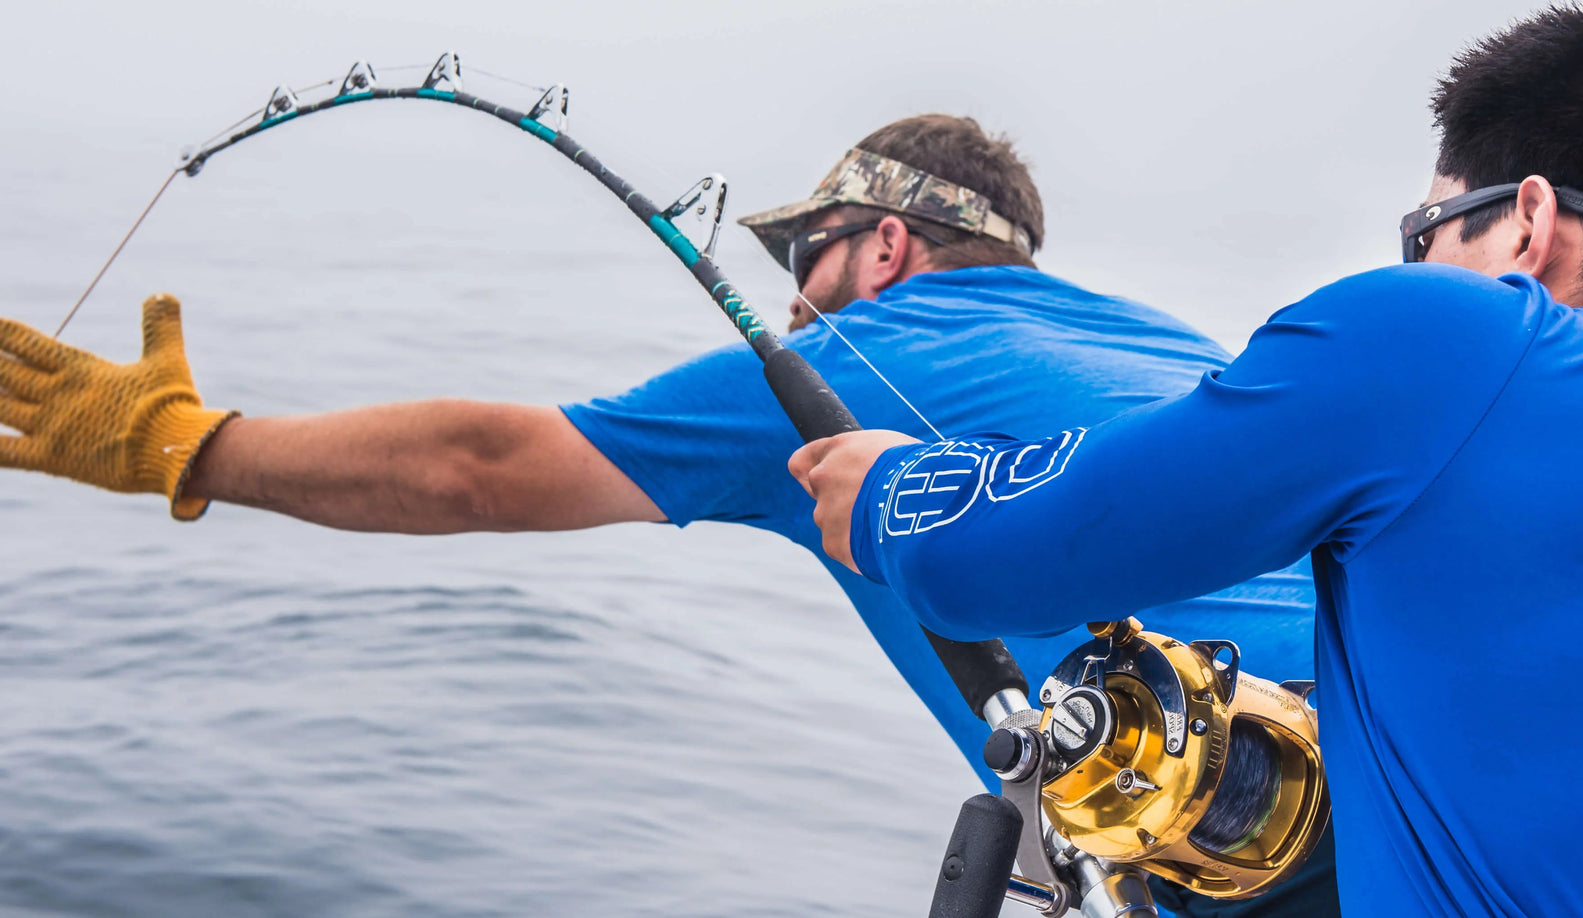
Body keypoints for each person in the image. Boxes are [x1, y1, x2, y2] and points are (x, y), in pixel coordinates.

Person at [0, 114, 1334, 915]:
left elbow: (481, 464)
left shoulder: (864, 356)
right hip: (1409, 762)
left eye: (804, 254)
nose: (794, 295)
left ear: (884, 245)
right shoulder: (1162, 336)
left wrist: (183, 443)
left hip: (1248, 845)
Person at [793, 3, 1583, 915]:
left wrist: (890, 488)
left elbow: (1007, 555)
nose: (1413, 260)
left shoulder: (1464, 336)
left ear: (1525, 226)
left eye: (1424, 231)